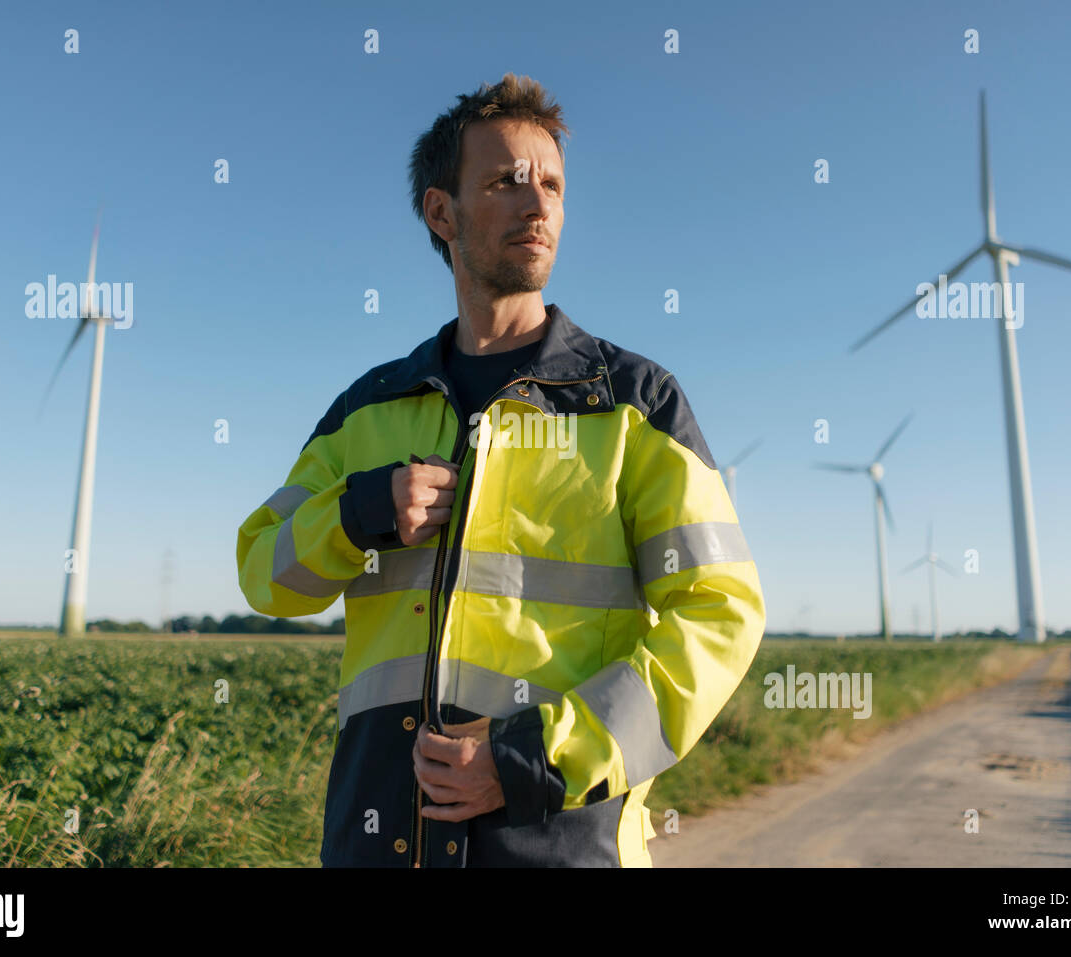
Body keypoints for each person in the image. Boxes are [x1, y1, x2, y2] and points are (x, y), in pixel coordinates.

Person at [236, 73, 766, 867]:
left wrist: (534, 757)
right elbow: (263, 571)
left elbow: (721, 614)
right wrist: (354, 514)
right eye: (506, 181)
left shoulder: (634, 403)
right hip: (379, 843)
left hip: (558, 840)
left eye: (551, 183)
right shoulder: (367, 410)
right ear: (441, 212)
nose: (538, 204)